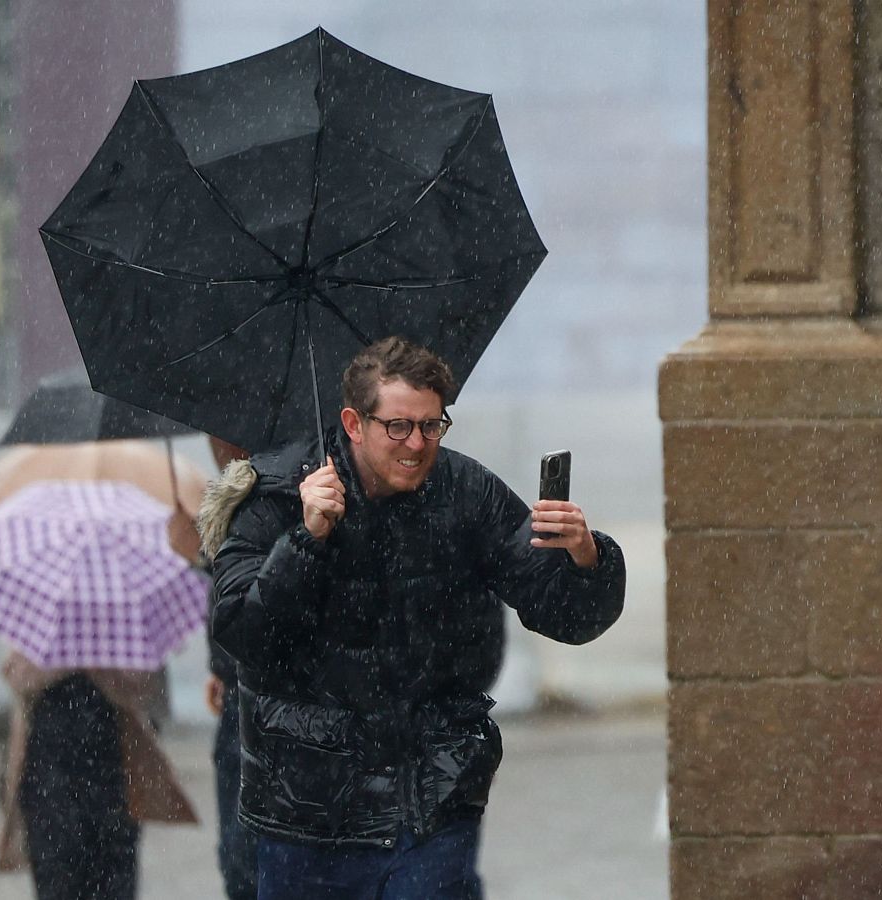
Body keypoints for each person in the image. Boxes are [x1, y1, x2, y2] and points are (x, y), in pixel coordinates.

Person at [208, 336, 627, 899]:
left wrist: (586, 557)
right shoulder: (275, 493)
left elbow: (564, 616)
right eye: (398, 427)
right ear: (354, 424)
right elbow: (243, 635)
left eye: (432, 426)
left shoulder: (465, 489)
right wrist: (305, 541)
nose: (416, 445)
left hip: (429, 805)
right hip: (309, 813)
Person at [0, 651, 196, 900]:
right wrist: (62, 664)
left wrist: (104, 668)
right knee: (58, 877)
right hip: (49, 773)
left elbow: (150, 692)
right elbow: (16, 675)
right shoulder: (40, 628)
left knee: (112, 877)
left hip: (113, 774)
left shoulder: (123, 635)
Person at [198, 436, 258, 900]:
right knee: (238, 860)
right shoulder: (227, 498)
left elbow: (254, 606)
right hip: (239, 700)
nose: (210, 441)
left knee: (249, 860)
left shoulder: (272, 491)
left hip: (267, 702)